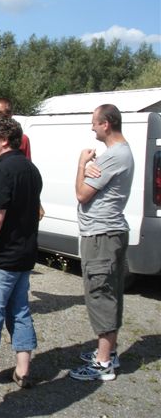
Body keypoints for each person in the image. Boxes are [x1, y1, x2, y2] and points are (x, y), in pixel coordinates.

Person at [69, 104, 134, 381]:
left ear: (106, 124)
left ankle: (103, 363)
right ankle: (109, 351)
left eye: (94, 122)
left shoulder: (113, 156)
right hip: (109, 232)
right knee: (109, 291)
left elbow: (82, 194)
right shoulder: (120, 153)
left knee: (101, 294)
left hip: (102, 235)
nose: (92, 127)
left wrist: (81, 165)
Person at [0, 115, 42, 389]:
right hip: (25, 255)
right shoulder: (31, 169)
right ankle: (23, 369)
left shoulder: (2, 170)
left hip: (2, 257)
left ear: (4, 140)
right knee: (20, 310)